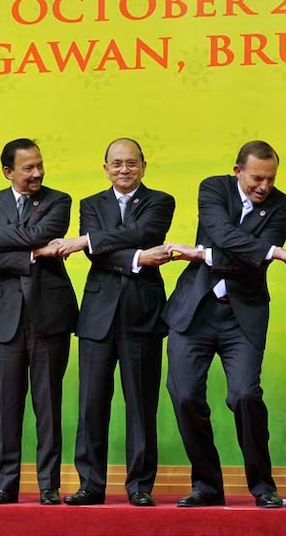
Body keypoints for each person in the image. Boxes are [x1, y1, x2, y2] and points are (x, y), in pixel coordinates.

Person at [163, 140, 286, 509]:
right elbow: (222, 234)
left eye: (270, 179)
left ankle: (262, 484)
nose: (264, 187)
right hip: (195, 312)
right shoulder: (213, 188)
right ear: (237, 171)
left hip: (242, 317)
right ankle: (206, 485)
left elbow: (249, 262)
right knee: (185, 396)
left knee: (245, 396)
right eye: (256, 178)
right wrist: (273, 252)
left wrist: (201, 253)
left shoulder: (285, 206)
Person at [52, 138, 175, 507]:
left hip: (144, 315)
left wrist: (90, 240)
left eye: (131, 163)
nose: (124, 170)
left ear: (143, 165)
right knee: (90, 404)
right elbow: (99, 255)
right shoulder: (91, 204)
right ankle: (90, 484)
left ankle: (139, 485)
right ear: (105, 168)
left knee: (140, 404)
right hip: (97, 317)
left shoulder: (160, 201)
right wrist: (136, 258)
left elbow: (143, 234)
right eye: (117, 164)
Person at [0, 138, 78, 506]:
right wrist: (31, 255)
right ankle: (6, 484)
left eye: (39, 166)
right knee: (8, 406)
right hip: (7, 318)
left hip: (50, 315)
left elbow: (39, 234)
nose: (37, 173)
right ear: (8, 172)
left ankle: (49, 485)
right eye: (28, 168)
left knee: (48, 405)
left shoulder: (58, 200)